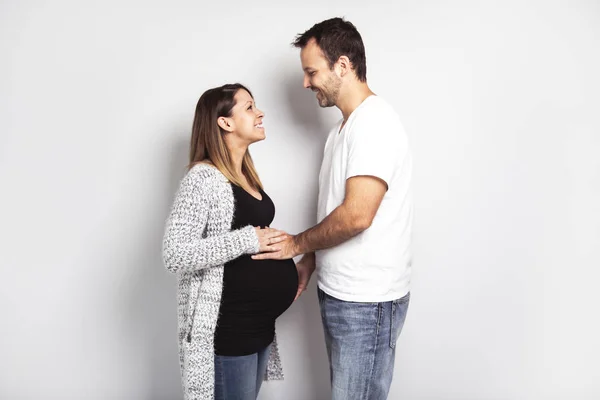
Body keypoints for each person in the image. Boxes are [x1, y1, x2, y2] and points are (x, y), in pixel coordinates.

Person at [252, 18, 414, 400]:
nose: (306, 83)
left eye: (312, 71)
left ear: (343, 65)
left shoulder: (374, 124)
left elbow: (357, 215)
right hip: (343, 295)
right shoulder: (341, 131)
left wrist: (295, 245)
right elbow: (337, 210)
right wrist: (311, 257)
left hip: (366, 302)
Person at [162, 83, 298, 400]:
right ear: (225, 122)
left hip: (257, 328)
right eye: (249, 107)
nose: (260, 112)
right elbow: (175, 254)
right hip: (230, 331)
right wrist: (248, 239)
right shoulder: (202, 178)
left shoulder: (245, 175)